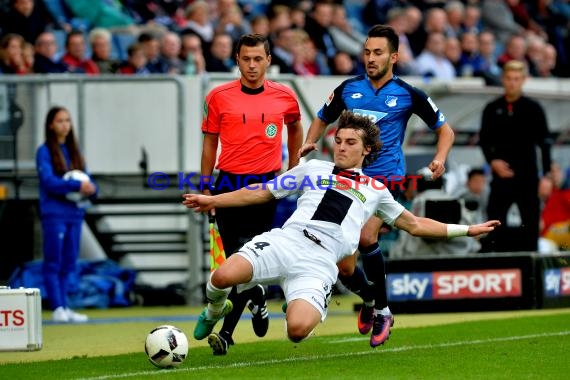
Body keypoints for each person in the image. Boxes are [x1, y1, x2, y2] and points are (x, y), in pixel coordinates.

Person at [184, 111, 499, 344]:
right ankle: (214, 311)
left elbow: (414, 224)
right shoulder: (313, 168)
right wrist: (213, 200)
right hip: (287, 241)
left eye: (351, 143)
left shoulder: (375, 189)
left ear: (366, 150)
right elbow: (261, 192)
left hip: (319, 263)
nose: (342, 147)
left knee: (296, 331)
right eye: (338, 141)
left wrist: (467, 230)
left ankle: (310, 300)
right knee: (221, 276)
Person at [298, 24, 455, 348]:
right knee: (345, 266)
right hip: (349, 179)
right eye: (367, 52)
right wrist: (311, 141)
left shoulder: (409, 93)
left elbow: (446, 130)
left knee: (366, 235)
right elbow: (322, 116)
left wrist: (440, 158)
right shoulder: (348, 88)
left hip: (386, 180)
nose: (371, 58)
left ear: (394, 57)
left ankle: (383, 311)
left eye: (378, 52)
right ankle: (370, 298)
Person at [199, 33, 303, 355]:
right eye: (246, 59)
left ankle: (227, 335)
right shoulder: (218, 97)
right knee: (234, 264)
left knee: (248, 259)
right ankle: (256, 297)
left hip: (265, 188)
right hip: (228, 184)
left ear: (269, 60)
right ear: (237, 61)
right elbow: (209, 143)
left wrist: (293, 168)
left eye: (259, 59)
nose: (253, 65)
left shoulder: (285, 97)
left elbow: (296, 127)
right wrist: (205, 186)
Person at [479, 59, 552, 252]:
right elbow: (484, 140)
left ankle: (531, 272)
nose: (512, 83)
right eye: (509, 78)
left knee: (530, 225)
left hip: (527, 177)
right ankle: (497, 266)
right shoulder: (492, 108)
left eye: (516, 79)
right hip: (501, 177)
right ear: (503, 80)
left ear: (523, 80)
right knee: (495, 223)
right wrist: (492, 161)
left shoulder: (533, 108)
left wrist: (546, 176)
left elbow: (545, 143)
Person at [36, 106, 97, 323]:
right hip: (54, 213)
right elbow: (49, 182)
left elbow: (89, 180)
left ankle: (66, 306)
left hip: (75, 214)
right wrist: (75, 185)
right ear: (51, 125)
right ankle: (57, 307)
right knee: (54, 260)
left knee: (69, 261)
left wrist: (91, 188)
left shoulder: (74, 152)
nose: (65, 124)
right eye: (60, 120)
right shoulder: (44, 151)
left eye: (68, 120)